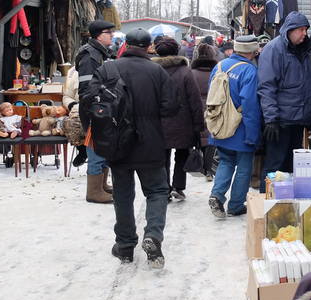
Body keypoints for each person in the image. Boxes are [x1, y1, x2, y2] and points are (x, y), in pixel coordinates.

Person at [91, 28, 178, 266]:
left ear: (126, 44)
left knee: (122, 194)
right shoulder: (157, 71)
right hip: (150, 142)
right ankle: (153, 236)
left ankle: (125, 245)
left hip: (118, 141)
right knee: (158, 191)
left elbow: (91, 101)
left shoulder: (108, 69)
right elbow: (171, 107)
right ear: (149, 46)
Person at [258, 12, 311, 189]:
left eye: (305, 29)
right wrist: (271, 119)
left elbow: (306, 85)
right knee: (275, 168)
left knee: (292, 169)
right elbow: (267, 86)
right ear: (289, 30)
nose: (304, 33)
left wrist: (310, 115)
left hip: (298, 120)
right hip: (281, 121)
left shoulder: (303, 51)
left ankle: (288, 207)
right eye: (300, 30)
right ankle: (265, 206)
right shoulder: (274, 49)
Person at [208, 35, 262, 218]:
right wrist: (253, 134)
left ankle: (217, 195)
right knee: (244, 166)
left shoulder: (219, 66)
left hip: (221, 125)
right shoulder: (249, 71)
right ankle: (236, 205)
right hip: (241, 126)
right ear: (252, 52)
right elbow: (250, 105)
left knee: (225, 161)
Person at [152, 37, 204, 201]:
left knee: (162, 157)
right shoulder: (185, 72)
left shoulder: (152, 72)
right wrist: (199, 124)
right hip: (183, 122)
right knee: (182, 154)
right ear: (177, 51)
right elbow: (195, 100)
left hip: (159, 122)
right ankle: (178, 186)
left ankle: (164, 188)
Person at [76, 19, 116, 204]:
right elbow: (86, 89)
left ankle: (101, 186)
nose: (112, 35)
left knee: (104, 147)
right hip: (95, 110)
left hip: (105, 107)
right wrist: (97, 107)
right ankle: (93, 191)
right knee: (96, 149)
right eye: (109, 32)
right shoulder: (90, 55)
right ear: (99, 35)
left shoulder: (102, 53)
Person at [190, 43, 219, 181]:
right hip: (213, 108)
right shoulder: (217, 72)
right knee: (210, 139)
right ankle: (209, 169)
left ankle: (201, 165)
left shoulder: (192, 73)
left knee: (199, 138)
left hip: (196, 108)